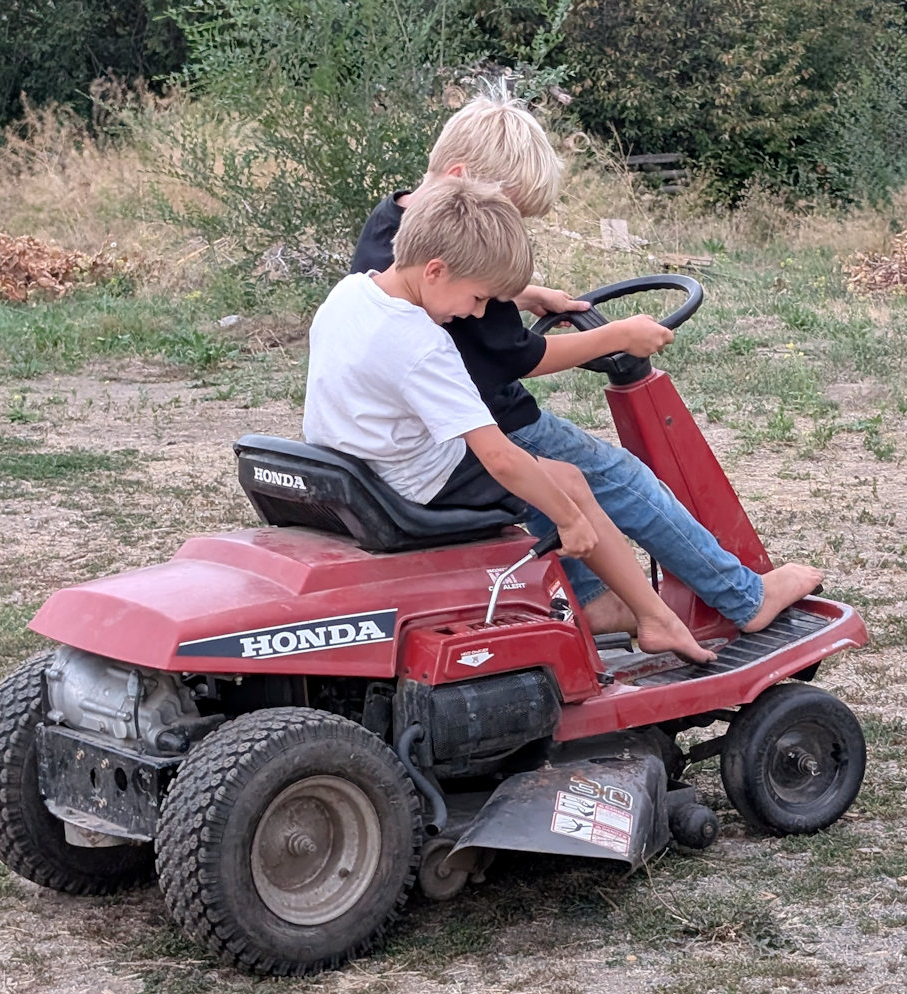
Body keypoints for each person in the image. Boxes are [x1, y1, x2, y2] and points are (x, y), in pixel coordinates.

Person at [349, 94, 822, 637]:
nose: (505, 226)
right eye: (503, 212)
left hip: (423, 429)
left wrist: (522, 293)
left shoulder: (391, 226)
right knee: (620, 478)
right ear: (459, 180)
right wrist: (620, 335)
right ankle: (744, 595)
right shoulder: (450, 272)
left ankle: (595, 601)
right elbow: (524, 357)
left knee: (560, 486)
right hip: (482, 427)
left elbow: (460, 296)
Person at [303, 177, 716, 664]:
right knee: (568, 480)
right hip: (411, 482)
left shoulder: (350, 293)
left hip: (356, 467)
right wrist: (569, 519)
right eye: (478, 299)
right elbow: (499, 458)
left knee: (552, 476)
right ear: (436, 270)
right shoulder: (422, 345)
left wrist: (521, 295)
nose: (474, 313)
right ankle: (656, 619)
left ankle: (609, 608)